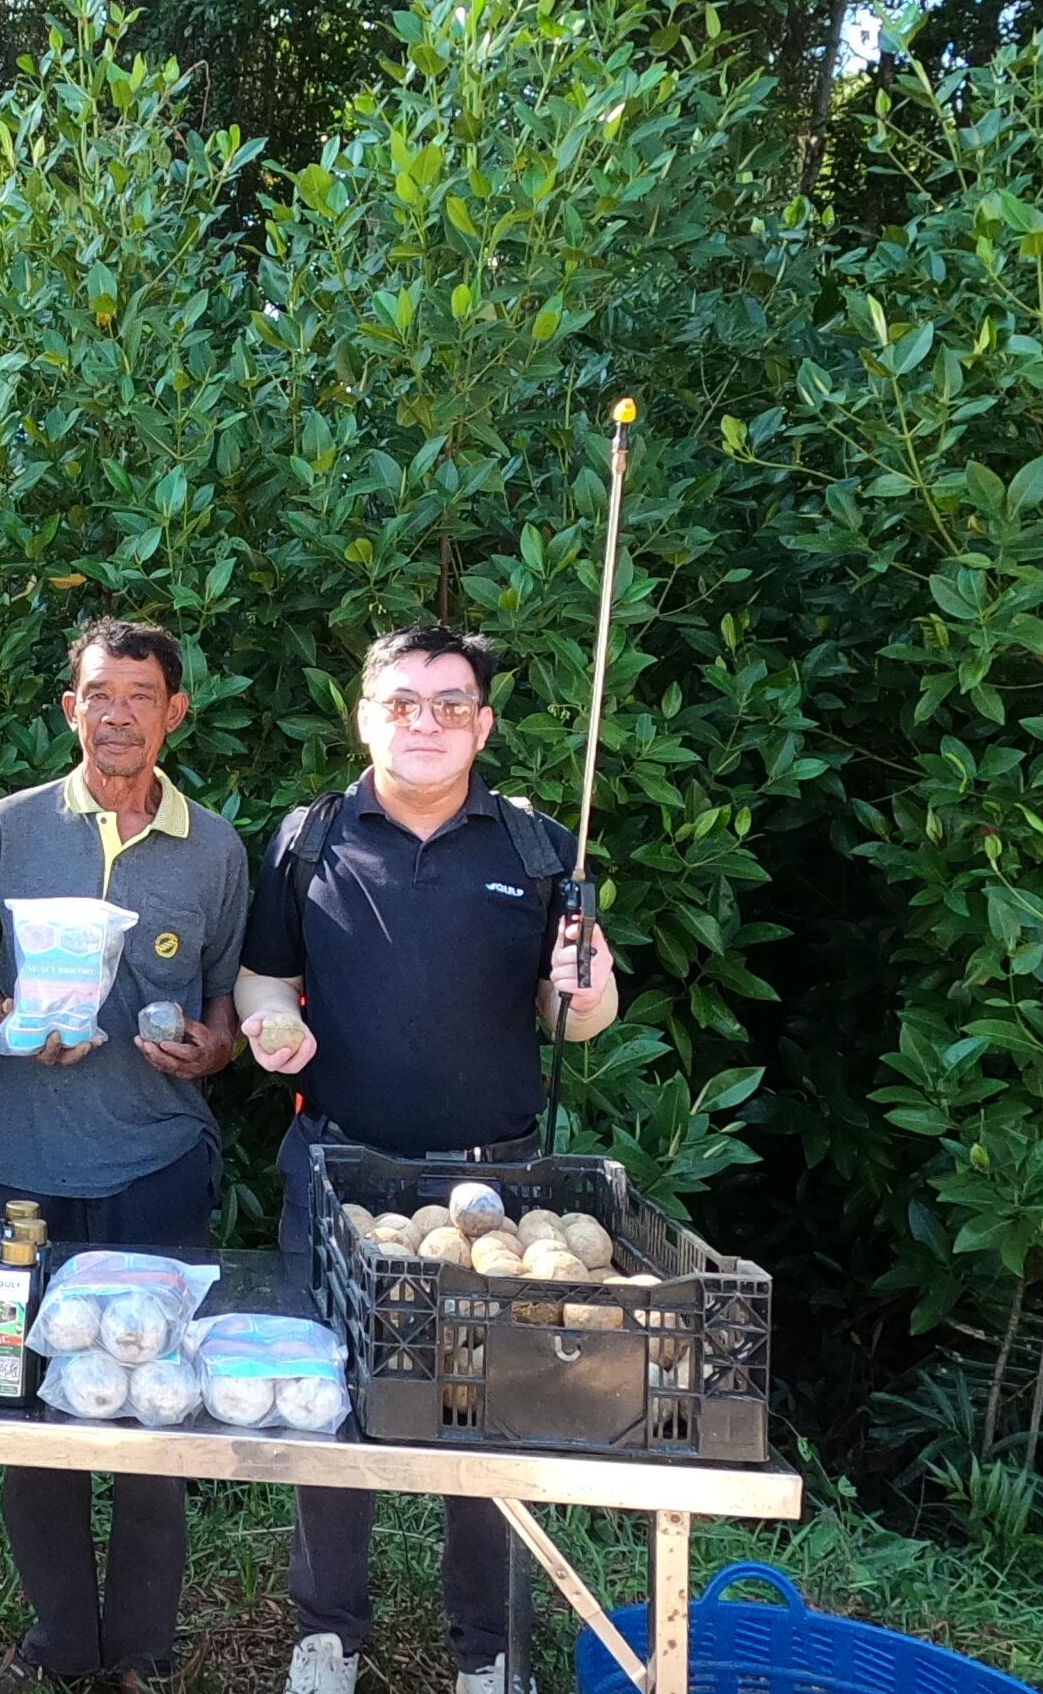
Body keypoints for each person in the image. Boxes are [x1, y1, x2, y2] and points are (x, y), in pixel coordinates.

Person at [235, 623, 621, 1694]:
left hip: (495, 1190)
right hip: (337, 1170)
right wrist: (272, 1024)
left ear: (482, 725)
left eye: (451, 705)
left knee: (490, 1415)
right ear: (365, 717)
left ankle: (487, 1649)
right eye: (402, 702)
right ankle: (327, 1634)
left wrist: (588, 990)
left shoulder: (540, 847)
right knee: (331, 1400)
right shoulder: (308, 836)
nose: (426, 722)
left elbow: (579, 1015)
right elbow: (262, 976)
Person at [0, 618, 247, 1694]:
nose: (118, 714)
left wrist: (212, 1049)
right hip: (29, 1160)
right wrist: (3, 1026)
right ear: (71, 708)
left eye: (141, 695)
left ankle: (142, 1654)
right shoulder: (13, 827)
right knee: (35, 1409)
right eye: (99, 694)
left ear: (175, 712)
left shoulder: (215, 847)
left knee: (155, 1399)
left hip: (157, 1159)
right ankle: (58, 1644)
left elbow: (227, 995)